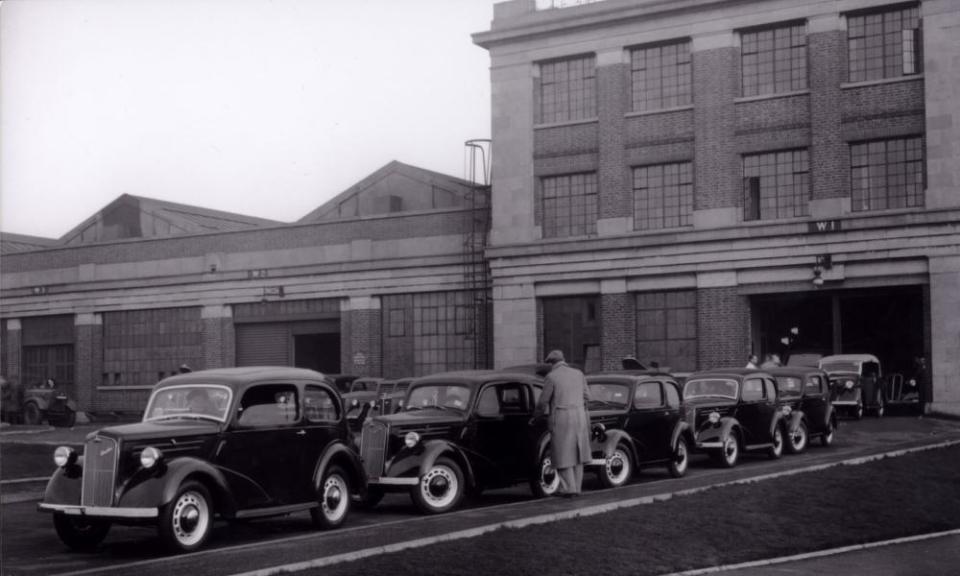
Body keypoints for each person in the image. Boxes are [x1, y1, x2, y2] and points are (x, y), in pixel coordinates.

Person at [534, 349, 591, 498]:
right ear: (563, 360)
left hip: (561, 416)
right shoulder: (578, 374)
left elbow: (542, 402)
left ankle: (568, 488)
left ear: (551, 363)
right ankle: (577, 488)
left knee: (562, 453)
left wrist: (535, 416)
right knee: (578, 454)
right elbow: (587, 396)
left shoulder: (551, 377)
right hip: (580, 416)